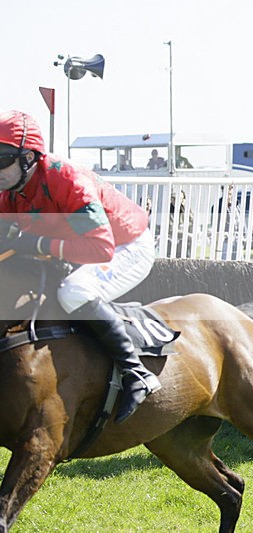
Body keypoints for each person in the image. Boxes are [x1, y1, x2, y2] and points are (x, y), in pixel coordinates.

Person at [0, 110, 160, 423]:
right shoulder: (12, 189)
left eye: (2, 158)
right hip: (79, 245)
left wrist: (41, 244)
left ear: (29, 158)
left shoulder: (66, 179)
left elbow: (101, 248)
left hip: (125, 244)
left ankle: (137, 373)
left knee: (74, 292)